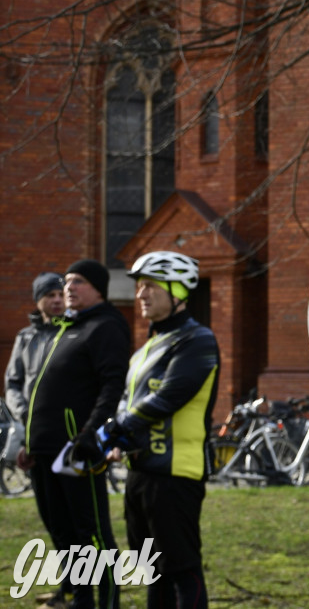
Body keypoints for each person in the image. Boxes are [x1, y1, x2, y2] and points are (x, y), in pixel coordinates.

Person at [99, 250, 220, 609]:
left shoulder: (197, 340)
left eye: (150, 286)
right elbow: (127, 401)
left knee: (183, 571)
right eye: (139, 287)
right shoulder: (146, 349)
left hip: (175, 475)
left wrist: (118, 428)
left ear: (178, 290)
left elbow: (169, 397)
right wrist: (117, 438)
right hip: (141, 473)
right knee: (152, 571)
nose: (140, 294)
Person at [23, 259, 131, 609]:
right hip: (45, 450)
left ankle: (109, 604)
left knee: (95, 535)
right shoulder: (68, 326)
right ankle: (81, 601)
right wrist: (30, 440)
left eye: (78, 282)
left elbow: (112, 386)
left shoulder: (106, 326)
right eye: (67, 281)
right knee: (66, 534)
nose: (68, 287)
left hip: (76, 450)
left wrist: (90, 434)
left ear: (99, 289)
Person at [5, 271, 65, 425]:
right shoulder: (25, 337)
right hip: (29, 424)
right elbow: (12, 383)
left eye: (61, 294)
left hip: (64, 423)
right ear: (38, 300)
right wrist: (24, 413)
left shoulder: (73, 334)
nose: (58, 300)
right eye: (51, 295)